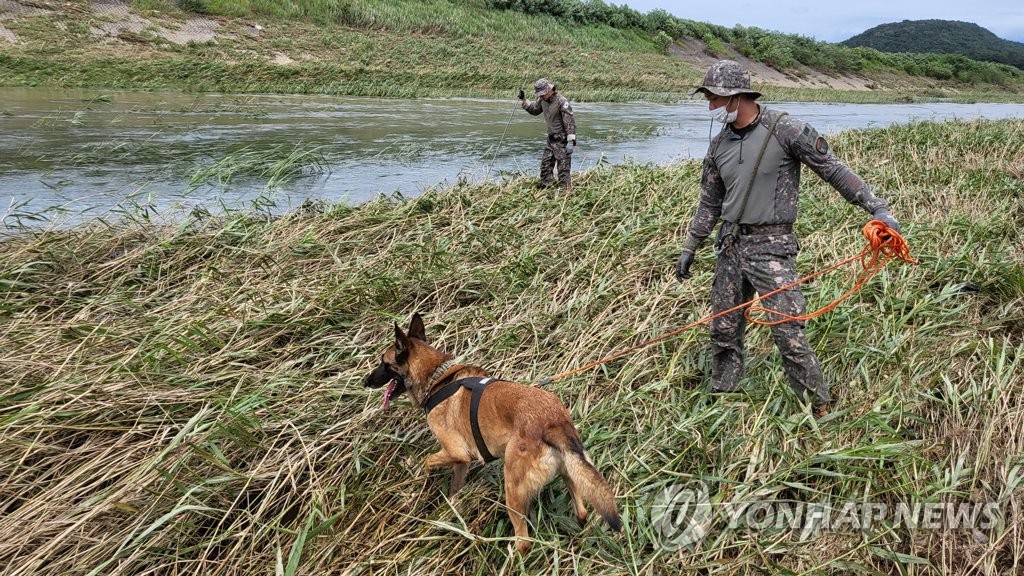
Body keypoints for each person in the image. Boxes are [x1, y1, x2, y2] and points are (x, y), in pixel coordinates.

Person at [674, 60, 902, 417]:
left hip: (772, 248)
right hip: (730, 246)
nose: (710, 107)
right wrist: (691, 246)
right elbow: (710, 202)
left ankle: (818, 407)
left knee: (789, 332)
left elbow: (834, 171)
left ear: (738, 96)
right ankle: (722, 397)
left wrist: (878, 209)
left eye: (715, 98)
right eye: (708, 98)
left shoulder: (787, 130)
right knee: (724, 327)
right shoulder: (718, 146)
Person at [518, 78, 576, 188]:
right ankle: (547, 188)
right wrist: (524, 100)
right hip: (551, 140)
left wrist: (571, 141)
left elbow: (570, 123)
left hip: (562, 141)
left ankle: (565, 194)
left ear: (549, 90)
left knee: (563, 170)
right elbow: (534, 110)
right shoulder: (543, 100)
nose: (541, 96)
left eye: (543, 94)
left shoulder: (562, 102)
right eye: (539, 94)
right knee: (545, 166)